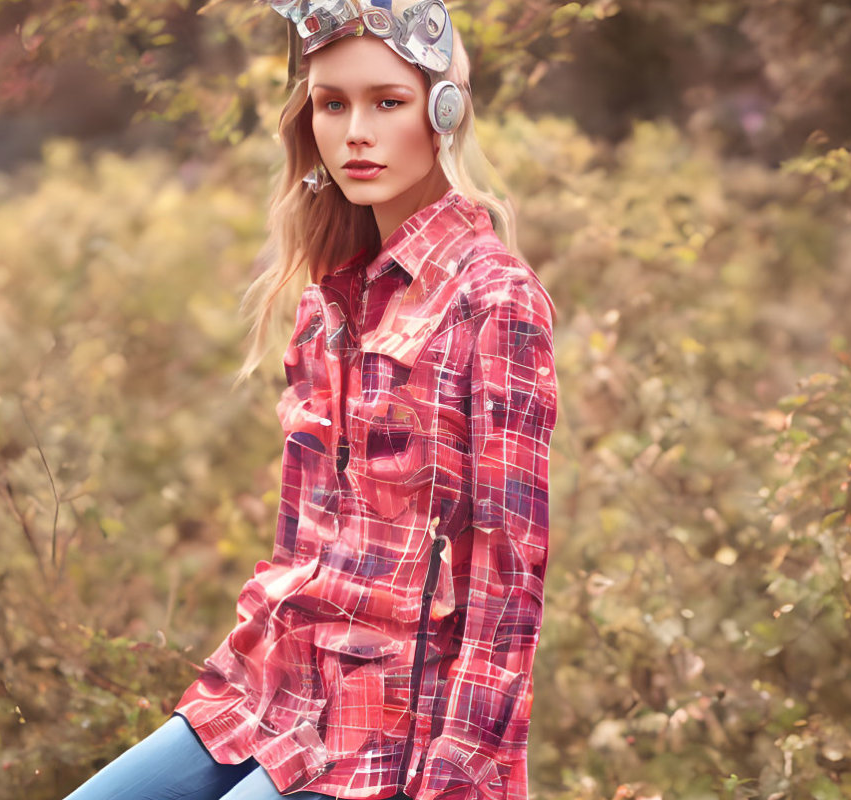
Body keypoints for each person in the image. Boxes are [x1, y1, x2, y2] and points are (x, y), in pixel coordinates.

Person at [63, 2, 557, 799]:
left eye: (386, 102)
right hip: (274, 686)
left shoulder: (493, 298)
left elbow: (510, 574)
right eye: (333, 104)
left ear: (444, 112)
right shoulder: (328, 302)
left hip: (398, 721)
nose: (356, 131)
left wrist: (459, 771)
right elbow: (303, 542)